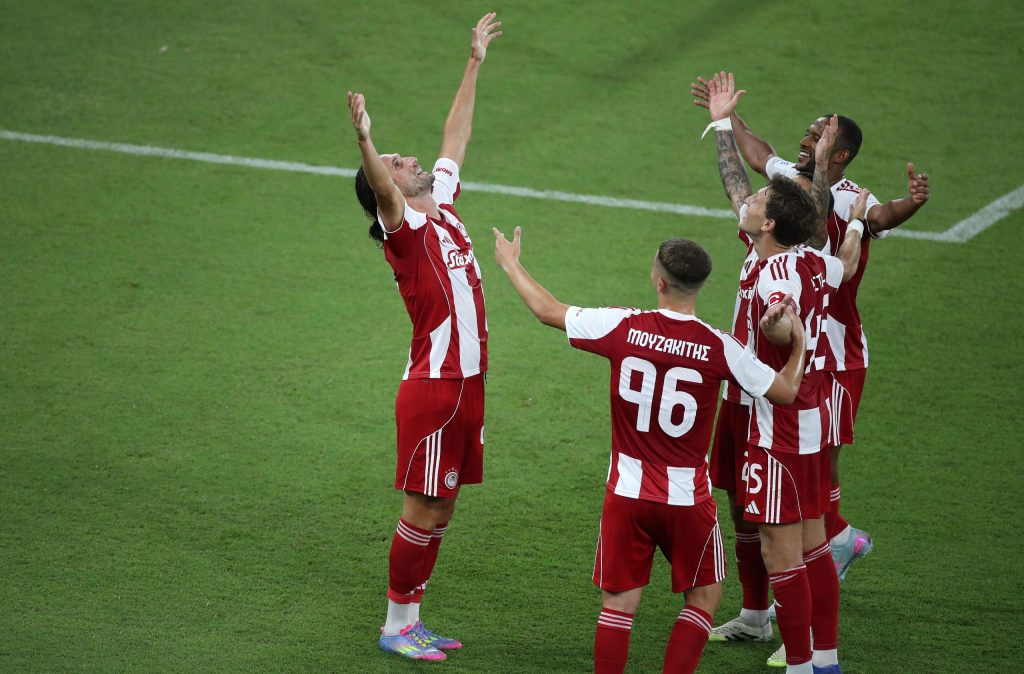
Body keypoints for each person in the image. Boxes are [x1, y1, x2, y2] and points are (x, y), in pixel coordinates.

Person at [492, 228, 809, 674]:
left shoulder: (624, 326)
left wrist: (510, 263)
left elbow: (547, 311)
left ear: (659, 281)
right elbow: (786, 392)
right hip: (688, 501)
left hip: (626, 494)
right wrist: (800, 346)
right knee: (704, 598)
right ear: (701, 284)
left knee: (618, 606)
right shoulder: (720, 345)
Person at [692, 72, 930, 583]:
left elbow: (873, 219)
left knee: (814, 472)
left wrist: (905, 205)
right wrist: (726, 119)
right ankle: (792, 581)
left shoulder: (831, 219)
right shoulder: (786, 202)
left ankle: (829, 550)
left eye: (818, 135)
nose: (806, 139)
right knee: (755, 493)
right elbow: (756, 162)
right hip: (767, 369)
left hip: (826, 352)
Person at [346, 12, 501, 662]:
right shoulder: (404, 230)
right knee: (421, 509)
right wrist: (366, 142)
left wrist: (474, 62)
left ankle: (412, 619)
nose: (409, 161)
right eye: (396, 163)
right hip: (435, 389)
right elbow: (383, 189)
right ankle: (395, 624)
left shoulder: (445, 208)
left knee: (443, 509)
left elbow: (454, 136)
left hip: (468, 386)